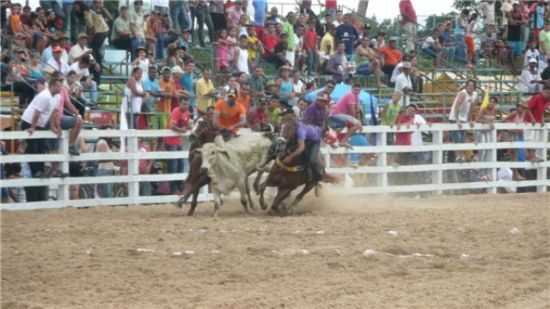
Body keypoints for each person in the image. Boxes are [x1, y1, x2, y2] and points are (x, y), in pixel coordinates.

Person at [20, 74, 63, 201]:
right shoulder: (45, 96)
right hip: (29, 122)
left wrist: (54, 127)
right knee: (33, 149)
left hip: (38, 123)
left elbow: (52, 113)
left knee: (39, 148)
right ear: (53, 85)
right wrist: (33, 127)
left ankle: (39, 171)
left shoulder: (55, 97)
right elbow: (36, 112)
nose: (61, 88)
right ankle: (37, 172)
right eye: (59, 85)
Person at [164, 98, 191, 194]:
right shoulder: (176, 111)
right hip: (171, 141)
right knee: (173, 165)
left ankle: (179, 188)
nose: (185, 106)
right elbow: (172, 126)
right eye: (184, 104)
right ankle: (173, 189)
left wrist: (188, 127)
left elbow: (187, 125)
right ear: (180, 103)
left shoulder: (187, 113)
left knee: (181, 164)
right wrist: (181, 130)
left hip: (178, 141)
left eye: (187, 104)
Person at [449, 79, 478, 162]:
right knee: (457, 138)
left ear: (474, 87)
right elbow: (456, 107)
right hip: (454, 118)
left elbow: (471, 109)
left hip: (464, 118)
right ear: (466, 86)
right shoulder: (463, 93)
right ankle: (459, 156)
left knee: (462, 138)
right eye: (469, 85)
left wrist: (470, 120)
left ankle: (462, 156)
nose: (470, 87)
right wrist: (457, 120)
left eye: (472, 86)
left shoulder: (475, 95)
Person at [328, 82, 363, 147]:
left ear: (360, 90)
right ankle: (343, 141)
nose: (356, 91)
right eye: (355, 90)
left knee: (351, 125)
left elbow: (357, 111)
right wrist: (358, 122)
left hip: (338, 115)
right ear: (352, 89)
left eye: (358, 90)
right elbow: (352, 111)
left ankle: (333, 141)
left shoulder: (356, 97)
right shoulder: (351, 95)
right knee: (356, 124)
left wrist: (359, 121)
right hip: (337, 114)